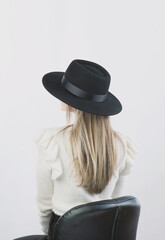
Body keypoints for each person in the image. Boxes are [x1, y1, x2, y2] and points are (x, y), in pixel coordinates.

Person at [14, 59, 138, 240]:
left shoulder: (52, 142)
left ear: (73, 102)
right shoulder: (122, 144)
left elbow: (44, 204)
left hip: (65, 233)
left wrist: (52, 234)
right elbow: (114, 201)